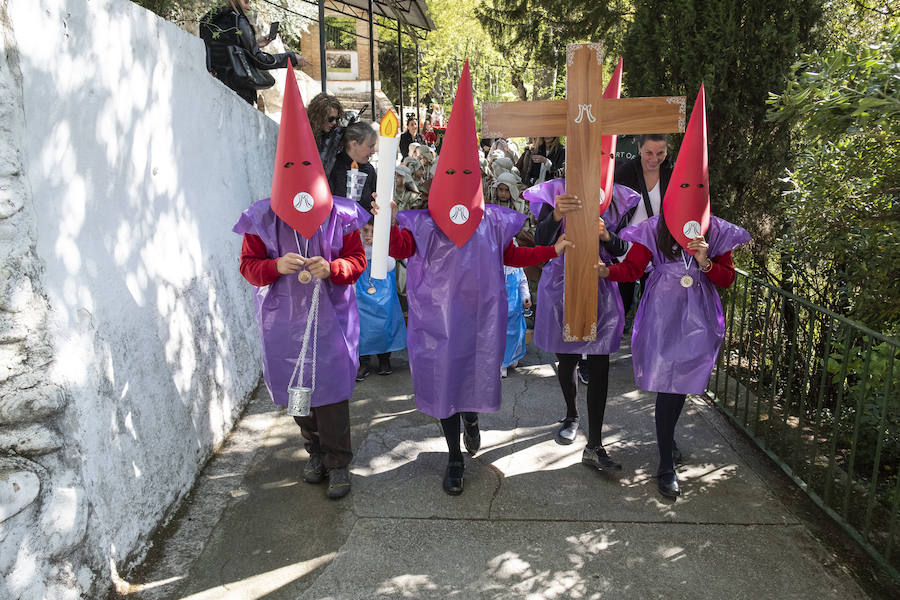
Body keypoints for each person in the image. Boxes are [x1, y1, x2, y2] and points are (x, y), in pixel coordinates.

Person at [376, 62, 574, 496]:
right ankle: (453, 458)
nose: (459, 181)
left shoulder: (494, 223)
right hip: (438, 323)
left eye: (466, 175)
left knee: (470, 378)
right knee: (446, 382)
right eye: (452, 174)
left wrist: (551, 250)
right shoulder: (423, 224)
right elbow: (396, 249)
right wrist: (385, 223)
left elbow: (515, 254)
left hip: (480, 319)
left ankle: (471, 416)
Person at [598, 85, 750, 498]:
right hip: (663, 310)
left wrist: (705, 261)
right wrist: (604, 270)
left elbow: (727, 279)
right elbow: (632, 268)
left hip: (698, 315)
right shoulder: (653, 228)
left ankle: (667, 441)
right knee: (667, 386)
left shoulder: (715, 231)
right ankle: (665, 462)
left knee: (681, 384)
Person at [233, 66, 369, 499]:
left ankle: (338, 461)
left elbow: (357, 260)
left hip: (330, 318)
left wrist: (335, 269)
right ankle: (312, 450)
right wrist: (276, 267)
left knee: (329, 395)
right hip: (284, 322)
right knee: (298, 394)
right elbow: (249, 267)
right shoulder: (262, 219)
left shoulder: (341, 215)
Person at [528, 179, 642, 470]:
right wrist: (556, 215)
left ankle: (595, 443)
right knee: (566, 359)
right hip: (561, 286)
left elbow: (622, 248)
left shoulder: (615, 196)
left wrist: (606, 235)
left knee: (600, 364)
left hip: (599, 286)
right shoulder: (554, 190)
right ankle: (571, 414)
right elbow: (540, 239)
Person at [199, 0, 304, 106]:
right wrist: (292, 58)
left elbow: (225, 48)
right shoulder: (238, 20)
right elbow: (260, 60)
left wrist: (255, 44)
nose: (250, 7)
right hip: (240, 90)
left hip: (216, 86)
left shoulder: (207, 21)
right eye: (246, 2)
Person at [613, 134, 673, 314]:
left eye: (660, 153)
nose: (654, 159)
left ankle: (645, 336)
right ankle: (621, 332)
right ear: (639, 148)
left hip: (657, 248)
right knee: (621, 300)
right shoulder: (625, 172)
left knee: (653, 303)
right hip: (627, 247)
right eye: (649, 152)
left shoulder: (672, 173)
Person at [355, 219, 407, 380]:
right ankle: (363, 361)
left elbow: (394, 263)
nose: (369, 236)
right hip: (361, 294)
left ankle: (384, 358)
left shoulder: (386, 251)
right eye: (365, 231)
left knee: (385, 322)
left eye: (373, 232)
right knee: (361, 324)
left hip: (384, 293)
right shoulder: (356, 251)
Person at [328, 121, 378, 213]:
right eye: (370, 146)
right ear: (354, 144)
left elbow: (375, 203)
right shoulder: (333, 167)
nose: (373, 151)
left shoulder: (369, 170)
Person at [307, 93, 345, 178]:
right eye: (330, 119)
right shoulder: (303, 136)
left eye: (336, 119)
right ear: (318, 117)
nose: (334, 122)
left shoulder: (335, 136)